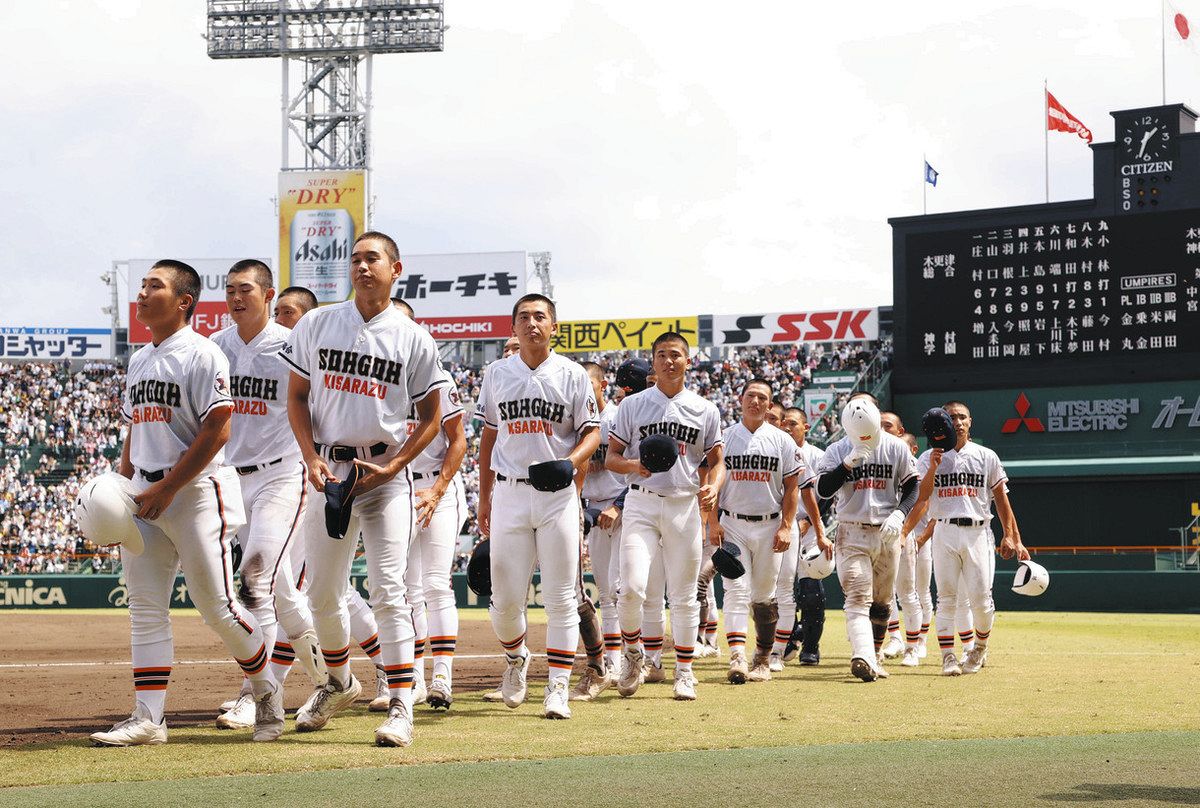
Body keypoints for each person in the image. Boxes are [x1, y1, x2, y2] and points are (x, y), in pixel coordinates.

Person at [90, 260, 283, 746]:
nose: (141, 294)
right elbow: (137, 429)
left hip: (196, 493)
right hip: (147, 495)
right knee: (146, 607)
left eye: (154, 286)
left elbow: (219, 429)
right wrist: (123, 484)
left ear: (183, 302)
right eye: (142, 285)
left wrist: (167, 488)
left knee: (216, 606)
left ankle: (264, 690)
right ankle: (149, 719)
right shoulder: (139, 359)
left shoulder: (203, 355)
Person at [281, 230, 446, 747]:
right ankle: (338, 682)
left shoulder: (413, 337)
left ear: (396, 268)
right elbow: (297, 396)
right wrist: (309, 456)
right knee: (322, 593)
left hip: (383, 478)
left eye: (372, 258)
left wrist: (397, 464)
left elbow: (433, 416)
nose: (361, 266)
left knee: (390, 589)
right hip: (331, 473)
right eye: (355, 258)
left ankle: (401, 702)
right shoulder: (318, 322)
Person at [210, 261, 325, 730]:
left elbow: (315, 406)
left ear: (267, 294)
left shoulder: (291, 344)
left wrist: (320, 462)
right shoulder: (216, 346)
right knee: (279, 590)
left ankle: (257, 696)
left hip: (282, 474)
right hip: (234, 479)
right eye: (230, 289)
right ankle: (331, 676)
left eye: (246, 289)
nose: (236, 298)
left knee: (255, 580)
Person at [476, 294, 600, 720]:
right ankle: (516, 659)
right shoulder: (495, 373)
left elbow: (592, 433)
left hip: (556, 495)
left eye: (540, 317)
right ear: (513, 327)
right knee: (505, 602)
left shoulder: (572, 374)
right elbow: (489, 438)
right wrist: (484, 496)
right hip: (509, 491)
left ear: (554, 326)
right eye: (524, 317)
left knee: (562, 597)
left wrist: (572, 462)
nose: (532, 323)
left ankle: (558, 686)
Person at [273, 285, 392, 712]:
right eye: (278, 313)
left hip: (307, 477)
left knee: (292, 587)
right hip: (305, 475)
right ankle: (347, 675)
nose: (282, 320)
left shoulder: (323, 343)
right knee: (322, 588)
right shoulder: (273, 351)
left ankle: (267, 688)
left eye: (288, 312)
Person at [606, 332, 724, 701]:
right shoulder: (633, 405)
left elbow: (717, 461)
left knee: (686, 596)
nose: (669, 361)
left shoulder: (705, 409)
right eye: (661, 355)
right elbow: (611, 458)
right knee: (632, 589)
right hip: (641, 502)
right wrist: (633, 465)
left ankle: (684, 673)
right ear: (652, 362)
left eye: (676, 355)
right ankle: (632, 654)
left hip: (684, 504)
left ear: (688, 361)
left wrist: (715, 486)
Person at [903, 401, 1028, 676]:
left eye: (962, 417)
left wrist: (1012, 536)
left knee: (982, 598)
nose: (957, 422)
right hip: (944, 530)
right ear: (943, 423)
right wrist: (934, 466)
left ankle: (979, 647)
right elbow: (922, 497)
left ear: (970, 421)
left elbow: (1001, 498)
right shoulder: (928, 457)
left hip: (978, 530)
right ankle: (948, 656)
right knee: (946, 598)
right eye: (951, 417)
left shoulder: (986, 456)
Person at [390, 297, 468, 710]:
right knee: (404, 588)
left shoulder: (436, 377)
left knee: (436, 584)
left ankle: (442, 677)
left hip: (436, 488)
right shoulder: (377, 377)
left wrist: (438, 490)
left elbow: (459, 440)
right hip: (395, 490)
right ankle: (413, 678)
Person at [709, 379, 813, 683]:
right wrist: (713, 522)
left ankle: (764, 657)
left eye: (762, 397)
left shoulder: (782, 441)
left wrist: (785, 526)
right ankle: (738, 656)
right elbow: (710, 479)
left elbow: (793, 487)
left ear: (770, 405)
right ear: (740, 399)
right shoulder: (724, 438)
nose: (756, 401)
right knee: (735, 591)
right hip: (733, 523)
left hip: (769, 524)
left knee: (764, 597)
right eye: (751, 395)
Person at [814, 393, 918, 682]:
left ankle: (875, 655)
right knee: (858, 597)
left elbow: (912, 486)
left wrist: (900, 514)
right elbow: (822, 489)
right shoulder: (837, 449)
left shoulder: (896, 447)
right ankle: (862, 655)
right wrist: (846, 465)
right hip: (852, 529)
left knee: (883, 602)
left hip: (887, 530)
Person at [570, 360, 627, 701]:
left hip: (624, 506)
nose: (583, 392)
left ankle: (634, 659)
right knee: (605, 591)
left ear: (602, 385)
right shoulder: (578, 422)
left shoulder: (618, 417)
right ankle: (614, 662)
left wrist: (617, 506)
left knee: (622, 589)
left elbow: (638, 470)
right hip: (593, 509)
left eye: (588, 385)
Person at [771, 406, 828, 668]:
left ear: (806, 427)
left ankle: (811, 648)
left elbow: (825, 494)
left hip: (806, 530)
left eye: (793, 423)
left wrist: (809, 523)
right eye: (784, 423)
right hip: (779, 527)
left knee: (811, 592)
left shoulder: (817, 455)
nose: (786, 427)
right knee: (777, 592)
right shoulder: (775, 449)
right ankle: (788, 638)